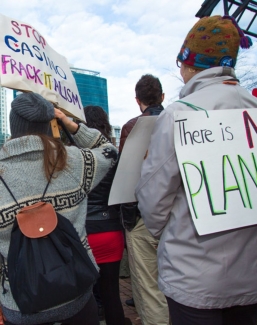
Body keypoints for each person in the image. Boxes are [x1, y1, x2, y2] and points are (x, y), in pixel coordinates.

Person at [135, 15, 257, 325]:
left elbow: (153, 196)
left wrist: (170, 234)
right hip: (251, 270)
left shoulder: (179, 114)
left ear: (190, 64)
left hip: (192, 271)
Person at [0, 92, 118, 325]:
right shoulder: (75, 162)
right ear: (48, 124)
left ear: (14, 124)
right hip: (76, 292)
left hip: (19, 301)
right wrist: (70, 124)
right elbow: (109, 150)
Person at [119, 74, 169, 325]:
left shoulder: (132, 127)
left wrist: (129, 218)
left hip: (141, 216)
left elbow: (127, 177)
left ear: (137, 100)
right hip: (177, 213)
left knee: (148, 285)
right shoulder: (179, 121)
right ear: (162, 97)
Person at [83, 106, 131, 325]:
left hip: (83, 233)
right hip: (110, 229)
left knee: (84, 299)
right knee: (112, 295)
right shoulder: (113, 153)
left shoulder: (74, 155)